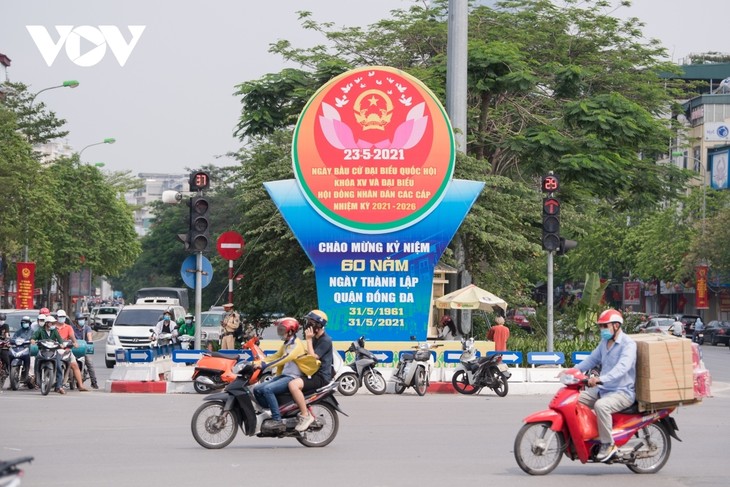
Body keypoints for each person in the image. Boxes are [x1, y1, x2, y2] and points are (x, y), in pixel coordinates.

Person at [573, 308, 636, 462]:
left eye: (604, 326)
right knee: (574, 400)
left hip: (622, 392)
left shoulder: (628, 344)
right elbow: (591, 360)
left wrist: (601, 379)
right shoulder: (604, 343)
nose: (602, 330)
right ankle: (584, 436)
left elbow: (623, 368)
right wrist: (571, 371)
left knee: (601, 406)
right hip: (604, 389)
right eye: (600, 326)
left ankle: (608, 444)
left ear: (616, 325)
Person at [253, 317, 317, 428]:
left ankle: (277, 419)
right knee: (257, 389)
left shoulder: (296, 345)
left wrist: (265, 366)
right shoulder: (287, 344)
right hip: (284, 375)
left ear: (291, 331)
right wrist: (258, 362)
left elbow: (284, 359)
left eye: (282, 330)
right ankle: (271, 410)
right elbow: (276, 356)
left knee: (268, 389)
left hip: (292, 377)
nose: (280, 333)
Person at [288, 310, 333, 432]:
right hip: (312, 373)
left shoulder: (325, 340)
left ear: (318, 325)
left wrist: (308, 339)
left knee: (293, 385)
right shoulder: (315, 338)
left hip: (320, 377)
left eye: (311, 322)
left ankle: (305, 415)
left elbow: (313, 358)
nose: (308, 324)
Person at [30, 314, 68, 394]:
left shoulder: (54, 331)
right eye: (52, 323)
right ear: (47, 323)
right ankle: (37, 381)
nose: (54, 324)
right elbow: (34, 336)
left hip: (53, 351)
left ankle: (59, 386)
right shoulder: (40, 330)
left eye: (54, 323)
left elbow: (60, 339)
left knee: (59, 367)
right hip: (43, 351)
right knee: (36, 363)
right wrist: (33, 340)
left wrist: (61, 344)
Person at [52, 311, 89, 392]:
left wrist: (75, 343)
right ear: (57, 318)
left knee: (75, 365)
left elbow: (72, 337)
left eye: (63, 317)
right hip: (55, 349)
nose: (62, 318)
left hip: (66, 350)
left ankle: (80, 385)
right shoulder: (53, 327)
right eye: (60, 317)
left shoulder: (68, 327)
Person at [72, 313, 99, 389]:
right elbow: (70, 337)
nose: (82, 321)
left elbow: (89, 337)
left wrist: (90, 342)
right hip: (74, 349)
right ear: (76, 321)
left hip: (83, 350)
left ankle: (94, 382)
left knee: (90, 364)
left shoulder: (87, 328)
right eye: (80, 320)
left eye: (83, 319)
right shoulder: (72, 328)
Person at [11, 316, 36, 389]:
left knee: (32, 363)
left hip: (28, 351)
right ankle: (12, 380)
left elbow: (34, 339)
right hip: (19, 349)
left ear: (29, 323)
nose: (25, 324)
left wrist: (33, 341)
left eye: (26, 323)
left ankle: (31, 378)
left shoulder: (32, 332)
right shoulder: (18, 331)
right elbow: (14, 338)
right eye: (23, 323)